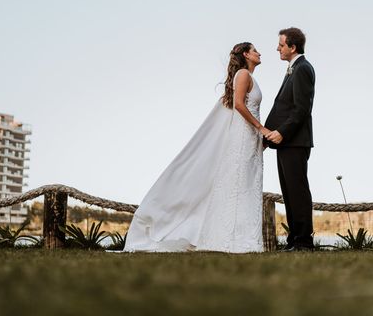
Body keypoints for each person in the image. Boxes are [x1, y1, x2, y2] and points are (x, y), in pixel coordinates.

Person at [124, 42, 271, 253]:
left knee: (246, 183)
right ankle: (233, 239)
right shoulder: (243, 75)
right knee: (239, 182)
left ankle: (243, 238)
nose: (259, 53)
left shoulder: (249, 77)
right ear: (246, 54)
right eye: (255, 50)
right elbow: (239, 104)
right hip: (244, 135)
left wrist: (258, 136)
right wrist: (261, 128)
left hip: (249, 137)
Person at [264, 27, 316, 251]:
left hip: (295, 141)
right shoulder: (294, 69)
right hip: (286, 143)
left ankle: (304, 241)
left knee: (298, 192)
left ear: (292, 47)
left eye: (281, 44)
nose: (277, 48)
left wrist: (282, 132)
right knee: (288, 193)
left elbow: (301, 109)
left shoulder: (303, 69)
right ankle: (294, 240)